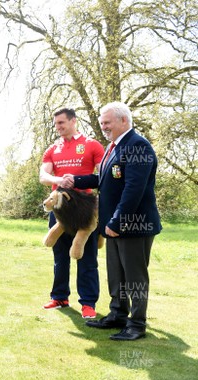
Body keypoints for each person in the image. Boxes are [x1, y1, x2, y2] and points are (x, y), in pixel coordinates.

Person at [64, 101, 161, 341]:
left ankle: (136, 325)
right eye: (101, 124)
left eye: (107, 123)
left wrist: (117, 221)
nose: (103, 127)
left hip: (133, 225)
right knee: (117, 274)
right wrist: (75, 180)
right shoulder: (113, 147)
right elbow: (105, 179)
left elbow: (133, 190)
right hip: (113, 225)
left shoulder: (138, 146)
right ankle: (117, 315)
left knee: (135, 277)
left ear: (123, 121)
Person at [39, 108, 105, 319]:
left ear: (73, 121)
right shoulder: (53, 149)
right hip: (59, 209)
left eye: (61, 123)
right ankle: (59, 297)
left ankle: (88, 303)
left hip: (85, 210)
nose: (58, 127)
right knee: (60, 256)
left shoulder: (91, 144)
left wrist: (78, 181)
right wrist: (59, 181)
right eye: (56, 124)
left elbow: (103, 173)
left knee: (86, 257)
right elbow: (43, 175)